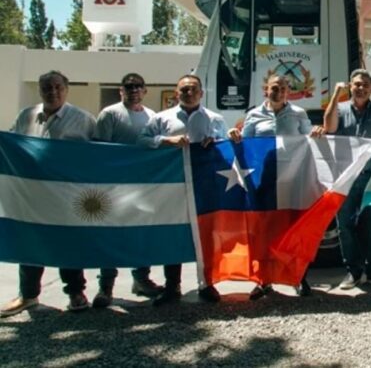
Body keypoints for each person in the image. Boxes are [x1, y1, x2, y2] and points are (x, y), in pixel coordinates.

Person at [0, 71, 96, 317]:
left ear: (66, 88)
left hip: (66, 197)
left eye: (57, 87)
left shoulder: (83, 119)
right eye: (46, 88)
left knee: (68, 245)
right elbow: (12, 145)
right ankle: (28, 295)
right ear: (40, 90)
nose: (52, 92)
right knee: (30, 244)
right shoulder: (26, 116)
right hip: (31, 196)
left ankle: (76, 292)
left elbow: (97, 157)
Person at [139, 74, 228, 306]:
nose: (189, 93)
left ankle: (207, 283)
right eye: (184, 90)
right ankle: (172, 286)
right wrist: (164, 141)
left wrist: (215, 140)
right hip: (172, 184)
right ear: (177, 93)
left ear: (201, 93)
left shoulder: (214, 118)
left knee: (205, 235)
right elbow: (142, 141)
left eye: (193, 89)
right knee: (173, 233)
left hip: (204, 184)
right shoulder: (162, 118)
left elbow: (226, 144)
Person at [228, 74, 317, 298]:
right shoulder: (254, 115)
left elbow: (309, 139)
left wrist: (317, 132)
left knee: (293, 230)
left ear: (289, 91)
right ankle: (263, 280)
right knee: (264, 231)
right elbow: (246, 144)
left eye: (284, 88)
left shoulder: (298, 114)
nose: (279, 92)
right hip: (265, 181)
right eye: (274, 88)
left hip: (292, 181)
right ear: (265, 90)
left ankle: (298, 278)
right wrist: (235, 135)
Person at [91, 73, 164, 308]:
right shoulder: (110, 114)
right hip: (113, 186)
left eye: (138, 87)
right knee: (111, 234)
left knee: (141, 234)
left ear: (144, 91)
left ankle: (141, 279)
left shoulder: (152, 116)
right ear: (121, 90)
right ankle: (106, 287)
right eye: (128, 86)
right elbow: (99, 150)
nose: (133, 90)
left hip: (142, 186)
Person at [322, 69, 371, 290]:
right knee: (345, 226)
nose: (360, 88)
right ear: (350, 87)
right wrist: (335, 95)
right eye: (356, 84)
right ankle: (353, 272)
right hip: (346, 180)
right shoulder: (340, 109)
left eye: (364, 84)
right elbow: (329, 128)